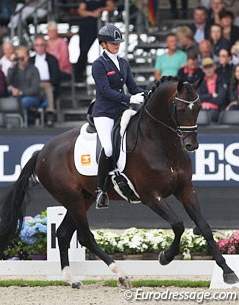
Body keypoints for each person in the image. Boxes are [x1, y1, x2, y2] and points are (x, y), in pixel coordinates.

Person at [91, 24, 146, 209]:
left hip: (121, 111)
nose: (116, 45)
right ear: (103, 44)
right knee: (107, 148)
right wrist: (130, 98)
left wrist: (147, 94)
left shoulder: (123, 63)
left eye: (118, 42)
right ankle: (101, 190)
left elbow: (133, 86)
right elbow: (105, 91)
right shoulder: (99, 64)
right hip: (104, 112)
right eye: (112, 43)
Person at [74, 0, 115, 83]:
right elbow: (81, 10)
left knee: (85, 49)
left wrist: (100, 9)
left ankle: (78, 74)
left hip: (96, 25)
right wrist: (92, 14)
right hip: (84, 25)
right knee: (83, 50)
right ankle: (79, 75)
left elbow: (111, 7)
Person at [30, 35, 61, 127]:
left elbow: (56, 75)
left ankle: (50, 114)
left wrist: (50, 82)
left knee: (49, 89)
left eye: (41, 45)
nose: (39, 47)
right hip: (34, 85)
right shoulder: (31, 60)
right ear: (34, 47)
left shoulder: (52, 59)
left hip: (49, 83)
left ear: (45, 46)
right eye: (37, 45)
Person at [7, 45, 41, 123]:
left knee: (24, 101)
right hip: (16, 97)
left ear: (28, 56)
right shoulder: (14, 69)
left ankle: (25, 122)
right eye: (20, 57)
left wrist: (20, 92)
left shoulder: (34, 70)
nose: (22, 59)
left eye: (24, 56)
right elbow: (8, 82)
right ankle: (14, 123)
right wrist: (12, 66)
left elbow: (35, 89)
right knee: (8, 101)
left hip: (32, 97)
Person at [198, 57, 228, 122]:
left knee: (210, 115)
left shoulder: (221, 80)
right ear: (203, 69)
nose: (208, 69)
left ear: (214, 67)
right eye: (206, 67)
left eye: (210, 67)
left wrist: (205, 101)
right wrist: (211, 95)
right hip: (203, 109)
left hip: (218, 110)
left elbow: (221, 99)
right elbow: (198, 98)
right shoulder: (201, 82)